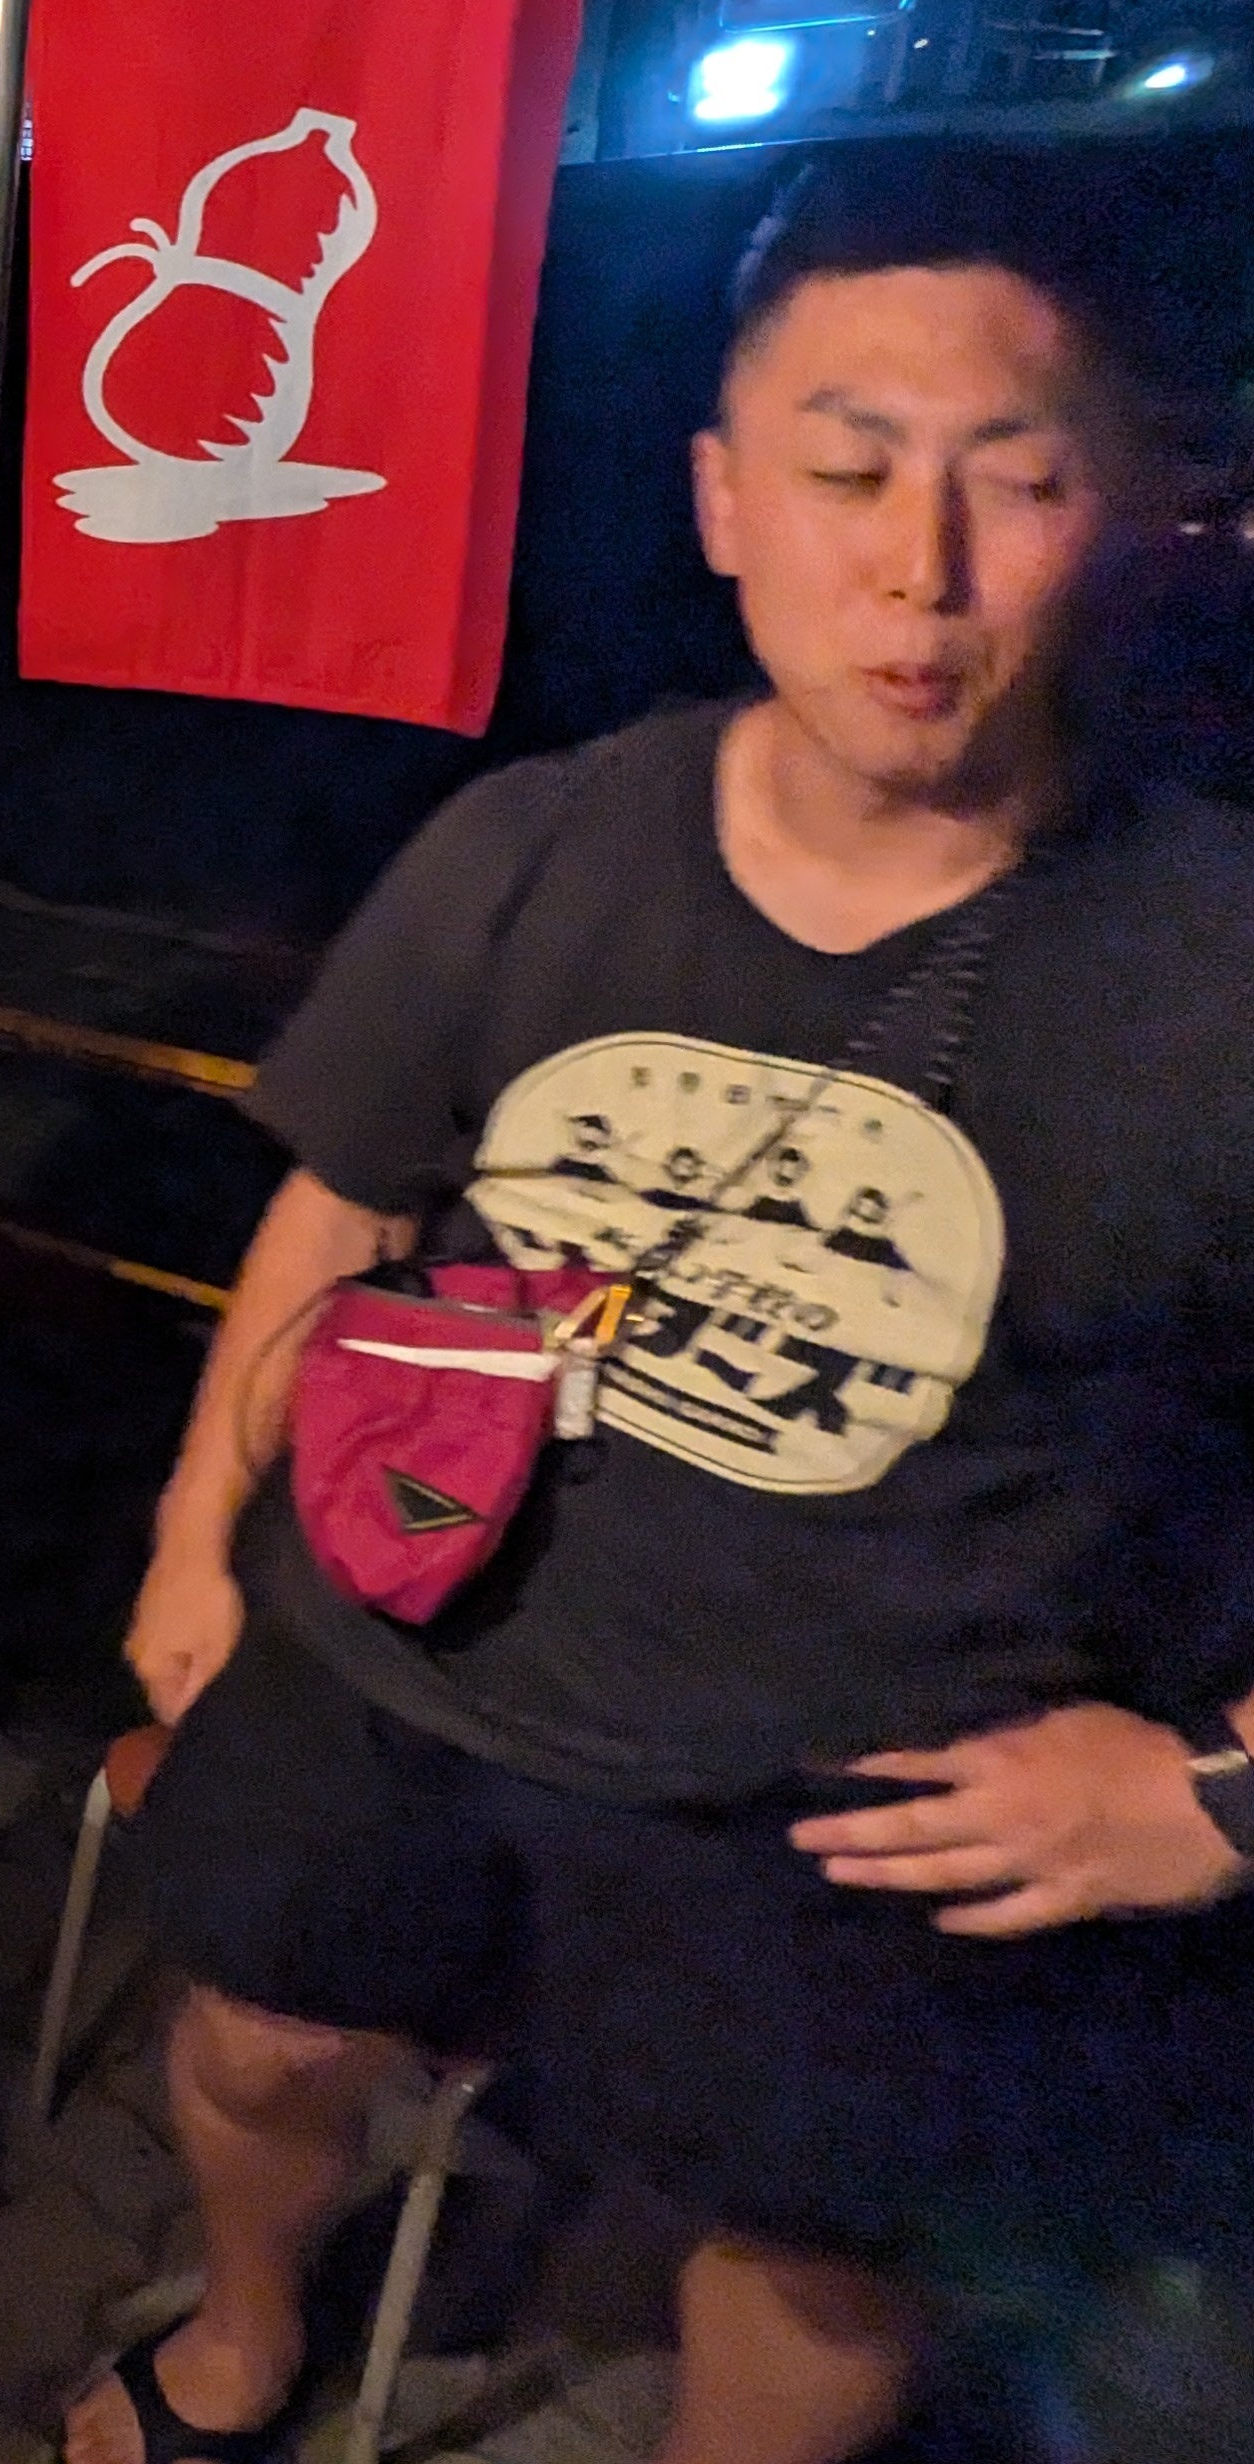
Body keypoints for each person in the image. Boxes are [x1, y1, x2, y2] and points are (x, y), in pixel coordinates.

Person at [68, 160, 1254, 2464]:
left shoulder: (1211, 971)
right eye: (848, 471)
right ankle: (239, 2343)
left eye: (1012, 481)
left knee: (812, 2263)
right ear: (724, 501)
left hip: (859, 1798)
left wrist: (1216, 1798)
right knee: (251, 2037)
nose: (919, 567)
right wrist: (198, 1536)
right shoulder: (536, 848)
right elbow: (338, 1201)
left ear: (1116, 510)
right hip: (405, 1638)